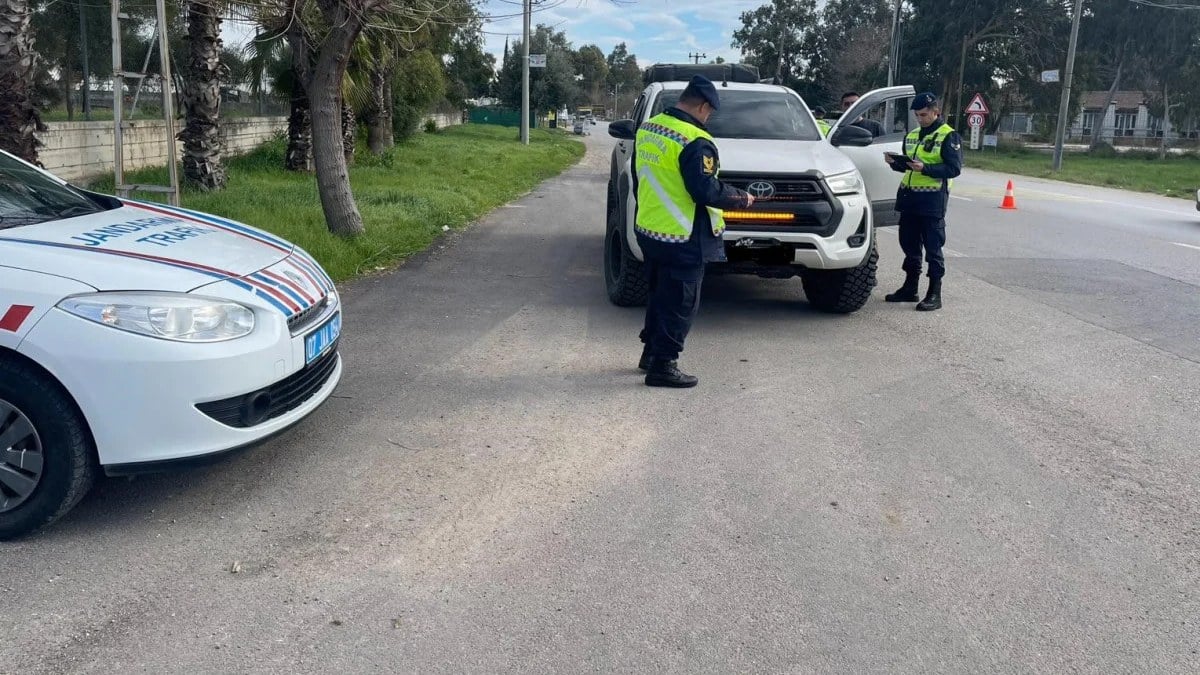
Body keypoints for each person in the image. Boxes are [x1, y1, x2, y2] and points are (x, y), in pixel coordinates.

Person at [634, 75, 755, 388]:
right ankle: (663, 365)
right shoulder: (695, 140)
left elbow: (640, 176)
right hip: (683, 235)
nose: (708, 118)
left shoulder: (650, 128)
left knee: (659, 294)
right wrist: (740, 197)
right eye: (709, 112)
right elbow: (704, 191)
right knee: (681, 301)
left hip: (651, 228)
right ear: (703, 106)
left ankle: (650, 352)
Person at [883, 92, 962, 311]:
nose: (920, 119)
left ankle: (934, 293)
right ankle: (910, 288)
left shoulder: (948, 135)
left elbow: (953, 169)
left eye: (924, 114)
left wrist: (925, 168)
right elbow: (908, 166)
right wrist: (894, 163)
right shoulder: (913, 135)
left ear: (937, 112)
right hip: (909, 197)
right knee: (909, 244)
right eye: (917, 115)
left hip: (932, 199)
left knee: (933, 248)